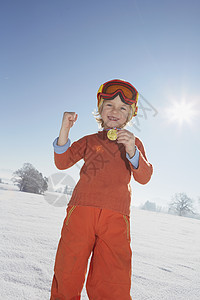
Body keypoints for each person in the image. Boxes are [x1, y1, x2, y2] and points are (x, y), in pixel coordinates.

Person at [50, 79, 153, 300]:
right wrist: (65, 129)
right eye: (109, 105)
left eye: (122, 108)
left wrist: (132, 150)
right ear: (100, 109)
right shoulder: (89, 141)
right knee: (68, 269)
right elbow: (63, 162)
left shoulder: (134, 143)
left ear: (130, 115)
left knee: (112, 277)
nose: (115, 111)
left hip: (116, 217)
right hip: (80, 212)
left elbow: (144, 177)